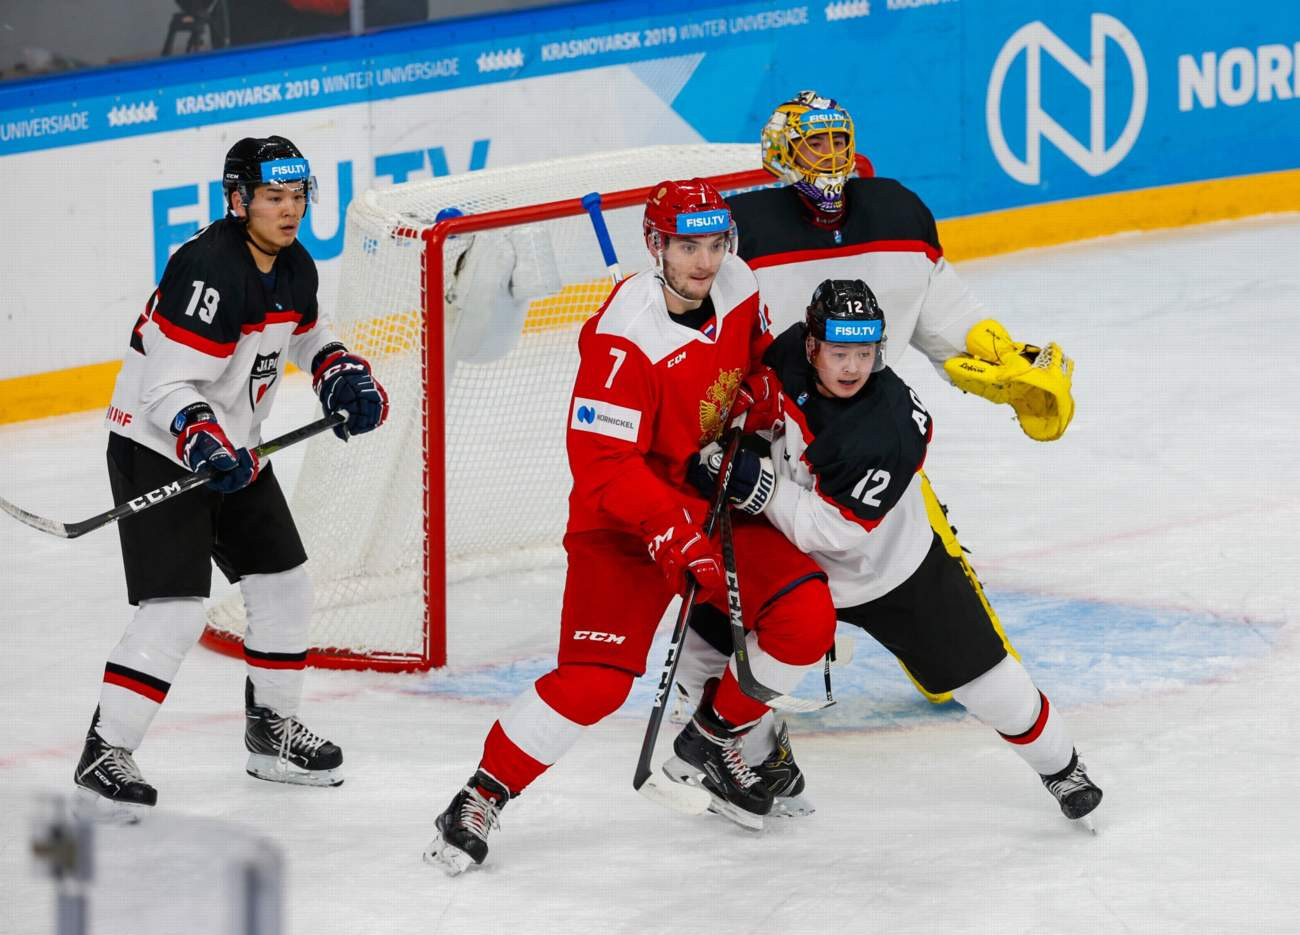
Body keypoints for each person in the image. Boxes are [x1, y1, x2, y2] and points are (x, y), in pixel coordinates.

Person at [676, 89, 1080, 818]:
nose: (830, 157)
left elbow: (947, 318)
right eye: (814, 143)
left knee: (966, 665)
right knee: (715, 633)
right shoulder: (749, 256)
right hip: (772, 474)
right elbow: (700, 334)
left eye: (840, 141)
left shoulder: (895, 227)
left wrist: (1001, 356)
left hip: (860, 505)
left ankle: (1060, 765)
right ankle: (749, 752)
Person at [424, 179, 838, 876]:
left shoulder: (737, 282)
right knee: (596, 682)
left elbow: (757, 353)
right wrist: (671, 533)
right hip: (622, 523)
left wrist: (760, 386)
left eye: (715, 244)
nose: (705, 261)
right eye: (687, 246)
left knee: (805, 614)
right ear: (656, 246)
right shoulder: (622, 340)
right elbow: (603, 465)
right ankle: (481, 794)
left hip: (709, 500)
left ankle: (712, 741)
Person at [683, 279, 1102, 824]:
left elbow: (830, 530)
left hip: (891, 572)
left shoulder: (884, 430)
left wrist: (755, 483)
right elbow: (764, 391)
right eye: (840, 352)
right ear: (811, 345)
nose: (853, 367)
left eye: (864, 353)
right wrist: (740, 417)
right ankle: (758, 756)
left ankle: (1062, 768)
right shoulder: (789, 352)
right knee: (706, 643)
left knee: (991, 685)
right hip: (794, 562)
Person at [73, 135, 389, 822]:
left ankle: (270, 734)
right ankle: (105, 750)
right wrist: (202, 437)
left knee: (284, 584)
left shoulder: (294, 263)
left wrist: (337, 369)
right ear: (238, 199)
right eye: (274, 197)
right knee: (176, 608)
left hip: (234, 448)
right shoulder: (207, 269)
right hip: (157, 446)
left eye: (298, 196)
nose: (290, 210)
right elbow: (163, 388)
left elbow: (304, 332)